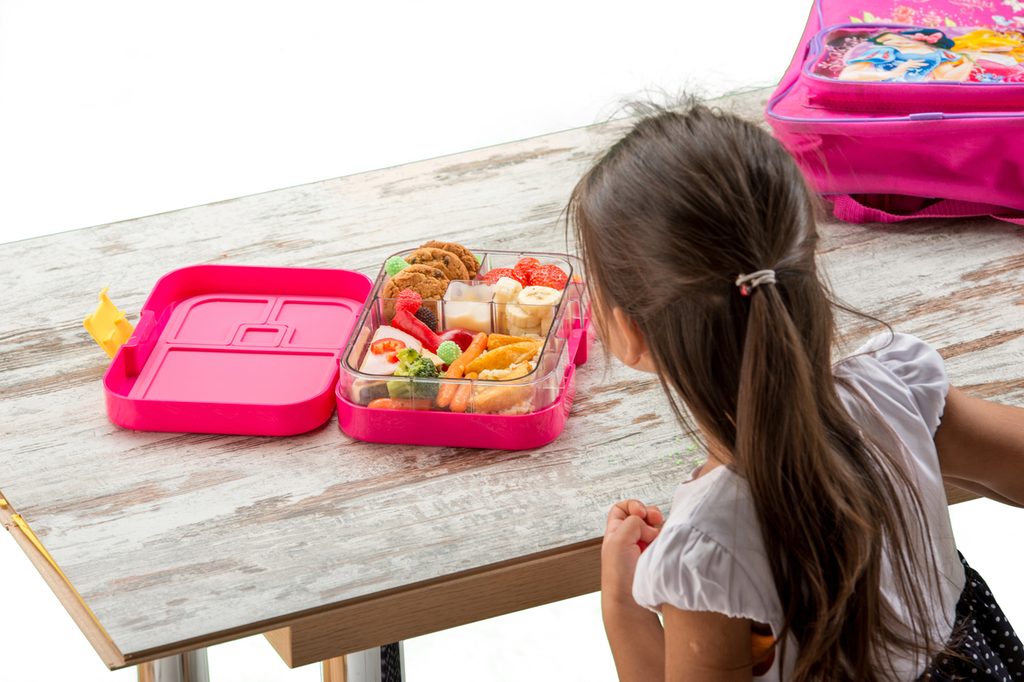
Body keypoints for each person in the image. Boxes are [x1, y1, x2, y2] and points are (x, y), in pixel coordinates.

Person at [567, 101, 1024, 681]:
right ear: (808, 258)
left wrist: (623, 608)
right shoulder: (895, 391)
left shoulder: (706, 554)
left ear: (629, 334)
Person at [838, 29, 971, 82]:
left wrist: (968, 62)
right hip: (881, 96)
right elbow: (846, 77)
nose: (894, 41)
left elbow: (947, 81)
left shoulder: (938, 55)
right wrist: (889, 74)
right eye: (886, 40)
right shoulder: (884, 53)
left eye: (893, 37)